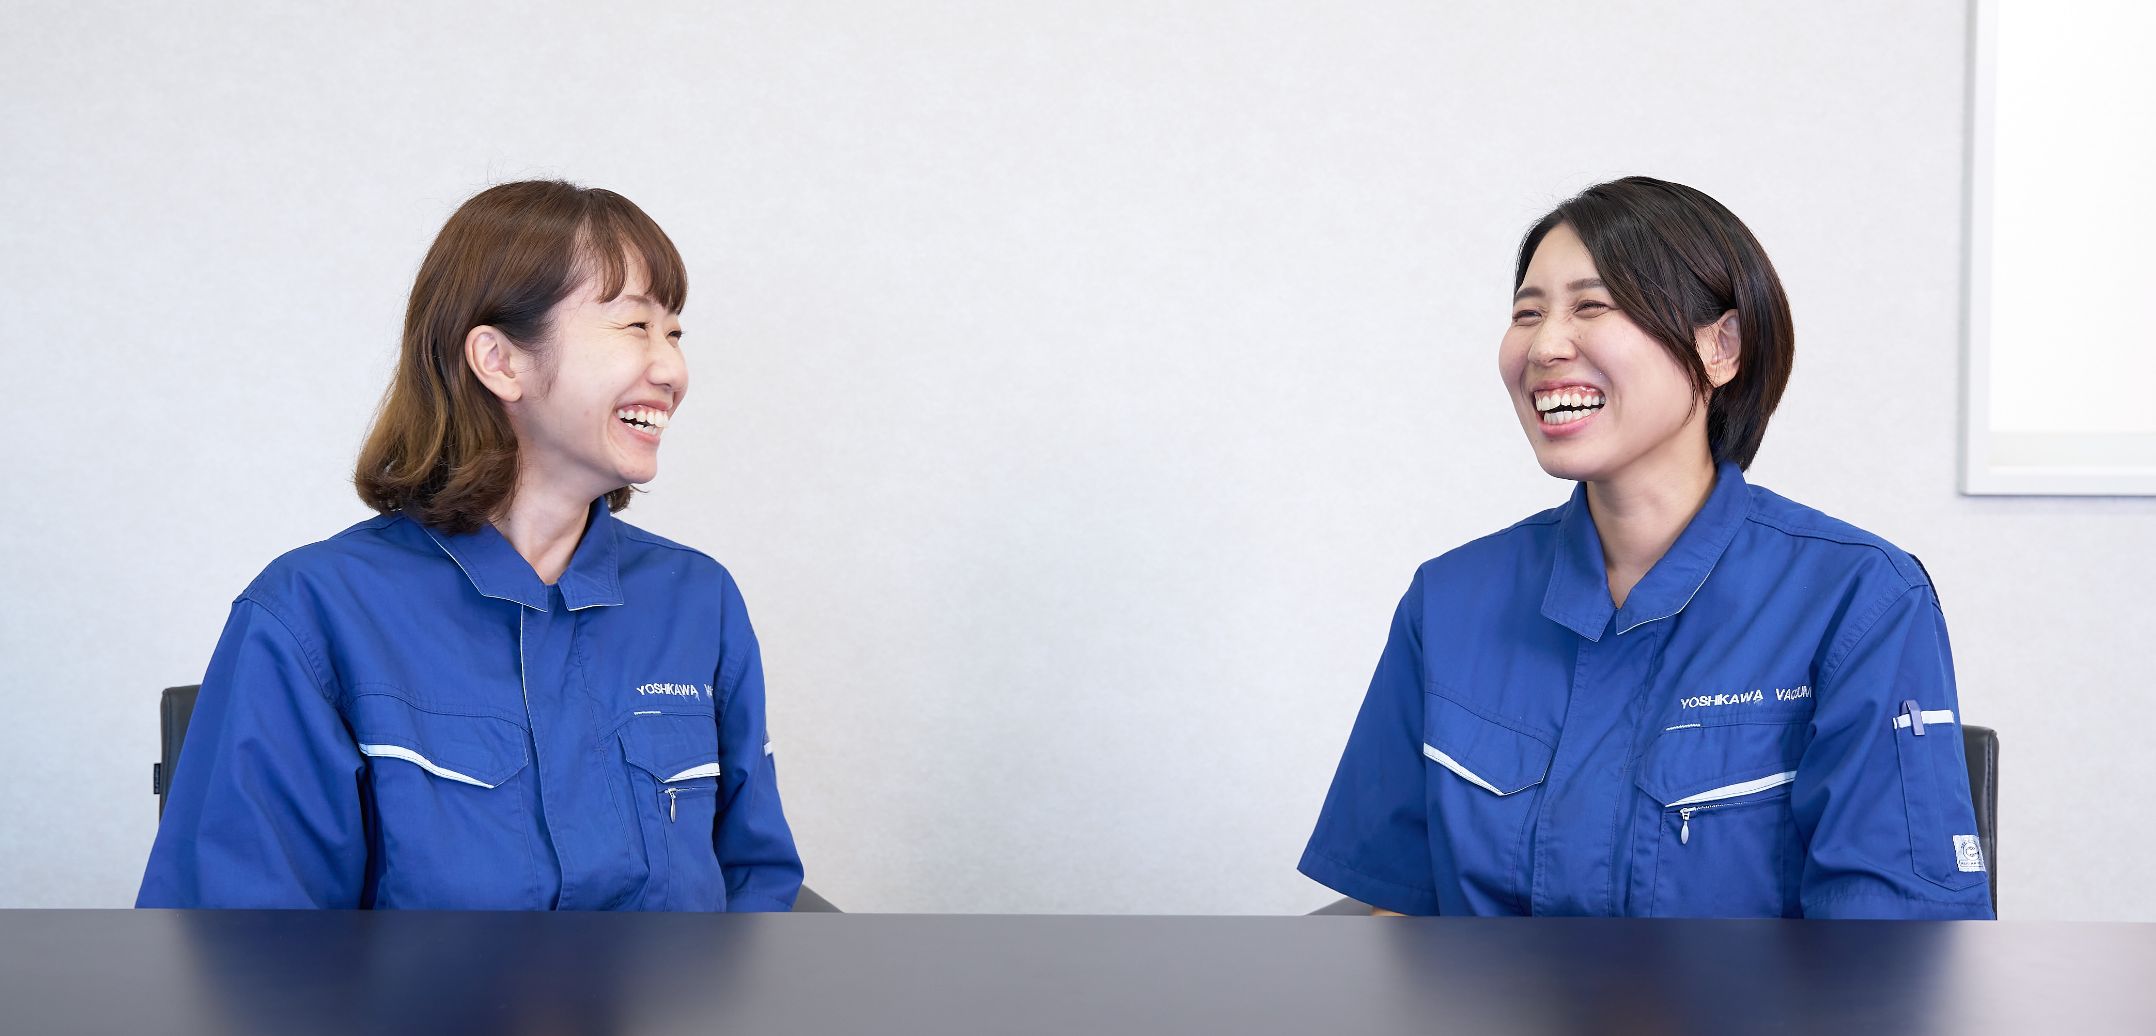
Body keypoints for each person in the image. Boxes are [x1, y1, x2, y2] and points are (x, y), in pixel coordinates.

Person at [1298, 176, 1992, 919]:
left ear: (1720, 347)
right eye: (1527, 313)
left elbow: (1894, 954)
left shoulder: (1858, 600)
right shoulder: (1448, 602)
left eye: (1592, 306)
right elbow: (1395, 909)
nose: (1545, 345)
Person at [139, 180, 802, 910]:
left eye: (674, 334)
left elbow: (757, 888)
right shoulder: (312, 614)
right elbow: (242, 945)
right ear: (500, 360)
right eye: (635, 326)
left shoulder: (698, 601)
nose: (672, 370)